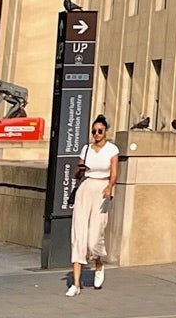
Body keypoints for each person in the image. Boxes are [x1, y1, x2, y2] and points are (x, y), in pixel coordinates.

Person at [65, 117, 119, 296]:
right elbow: (76, 174)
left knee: (95, 235)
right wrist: (80, 169)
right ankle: (76, 284)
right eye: (94, 131)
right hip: (86, 188)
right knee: (78, 234)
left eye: (100, 131)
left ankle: (99, 265)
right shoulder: (86, 149)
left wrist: (109, 188)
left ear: (106, 132)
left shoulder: (112, 149)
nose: (96, 134)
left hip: (102, 189)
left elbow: (114, 173)